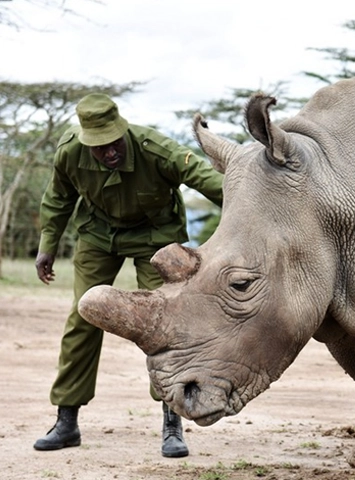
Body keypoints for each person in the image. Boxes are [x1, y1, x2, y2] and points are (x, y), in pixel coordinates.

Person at [33, 93, 224, 458]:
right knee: (82, 317)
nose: (109, 152)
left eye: (114, 143)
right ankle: (66, 420)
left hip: (154, 235)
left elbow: (205, 179)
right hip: (97, 234)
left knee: (164, 322)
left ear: (122, 129)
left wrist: (254, 207)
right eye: (99, 147)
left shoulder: (156, 149)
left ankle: (172, 422)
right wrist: (48, 244)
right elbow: (58, 197)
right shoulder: (70, 152)